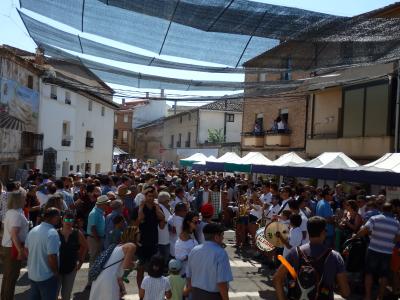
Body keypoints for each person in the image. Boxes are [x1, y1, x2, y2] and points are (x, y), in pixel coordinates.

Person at [273, 216, 350, 300]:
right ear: (323, 232)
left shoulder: (295, 252)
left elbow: (277, 278)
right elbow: (345, 292)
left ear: (308, 231)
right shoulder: (335, 256)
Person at [351, 202, 400, 300]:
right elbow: (397, 238)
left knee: (369, 273)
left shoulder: (375, 219)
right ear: (391, 210)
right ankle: (380, 297)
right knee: (384, 275)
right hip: (387, 252)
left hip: (373, 250)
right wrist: (390, 243)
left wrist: (355, 236)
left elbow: (364, 230)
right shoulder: (397, 223)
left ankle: (367, 296)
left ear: (382, 209)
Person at [89, 226, 138, 300]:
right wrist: (135, 264)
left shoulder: (118, 246)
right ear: (134, 234)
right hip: (109, 280)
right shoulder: (132, 246)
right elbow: (126, 266)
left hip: (99, 277)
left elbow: (118, 268)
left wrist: (121, 287)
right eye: (139, 233)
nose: (141, 235)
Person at [187, 223, 233, 300]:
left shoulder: (194, 250)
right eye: (222, 235)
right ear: (216, 237)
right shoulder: (220, 253)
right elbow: (221, 282)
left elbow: (189, 276)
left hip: (195, 294)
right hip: (213, 296)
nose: (223, 238)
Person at [133, 184, 166, 288]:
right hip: (141, 243)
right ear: (145, 196)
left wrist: (157, 209)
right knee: (140, 269)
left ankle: (152, 290)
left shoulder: (157, 208)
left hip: (153, 242)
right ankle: (140, 292)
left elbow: (162, 222)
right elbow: (135, 225)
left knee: (154, 269)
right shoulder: (138, 208)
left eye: (152, 196)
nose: (151, 198)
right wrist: (141, 210)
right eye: (149, 196)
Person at [25, 207, 61, 300]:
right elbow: (52, 257)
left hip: (33, 275)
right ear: (54, 217)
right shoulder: (52, 233)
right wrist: (56, 273)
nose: (60, 218)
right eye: (58, 216)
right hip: (47, 277)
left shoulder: (33, 230)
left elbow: (26, 250)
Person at [1, 191, 29, 300]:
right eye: (24, 198)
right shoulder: (16, 214)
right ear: (18, 200)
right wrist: (21, 250)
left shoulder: (11, 212)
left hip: (9, 246)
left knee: (8, 277)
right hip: (12, 248)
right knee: (11, 278)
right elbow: (14, 234)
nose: (25, 200)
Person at [57, 212, 88, 300]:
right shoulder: (55, 233)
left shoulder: (77, 233)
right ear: (62, 220)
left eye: (71, 220)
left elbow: (85, 246)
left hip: (71, 268)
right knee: (54, 293)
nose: (69, 222)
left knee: (66, 294)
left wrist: (81, 261)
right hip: (57, 268)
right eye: (66, 219)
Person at [86, 195, 110, 288]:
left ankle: (95, 280)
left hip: (98, 238)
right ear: (102, 204)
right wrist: (98, 239)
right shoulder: (95, 213)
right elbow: (93, 227)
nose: (108, 205)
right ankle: (91, 282)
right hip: (94, 239)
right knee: (93, 260)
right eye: (107, 204)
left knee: (97, 259)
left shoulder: (100, 212)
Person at [157, 191, 172, 266]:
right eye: (168, 200)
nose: (169, 202)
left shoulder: (162, 207)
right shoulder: (160, 208)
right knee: (163, 259)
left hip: (164, 238)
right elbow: (161, 225)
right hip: (163, 239)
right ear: (165, 201)